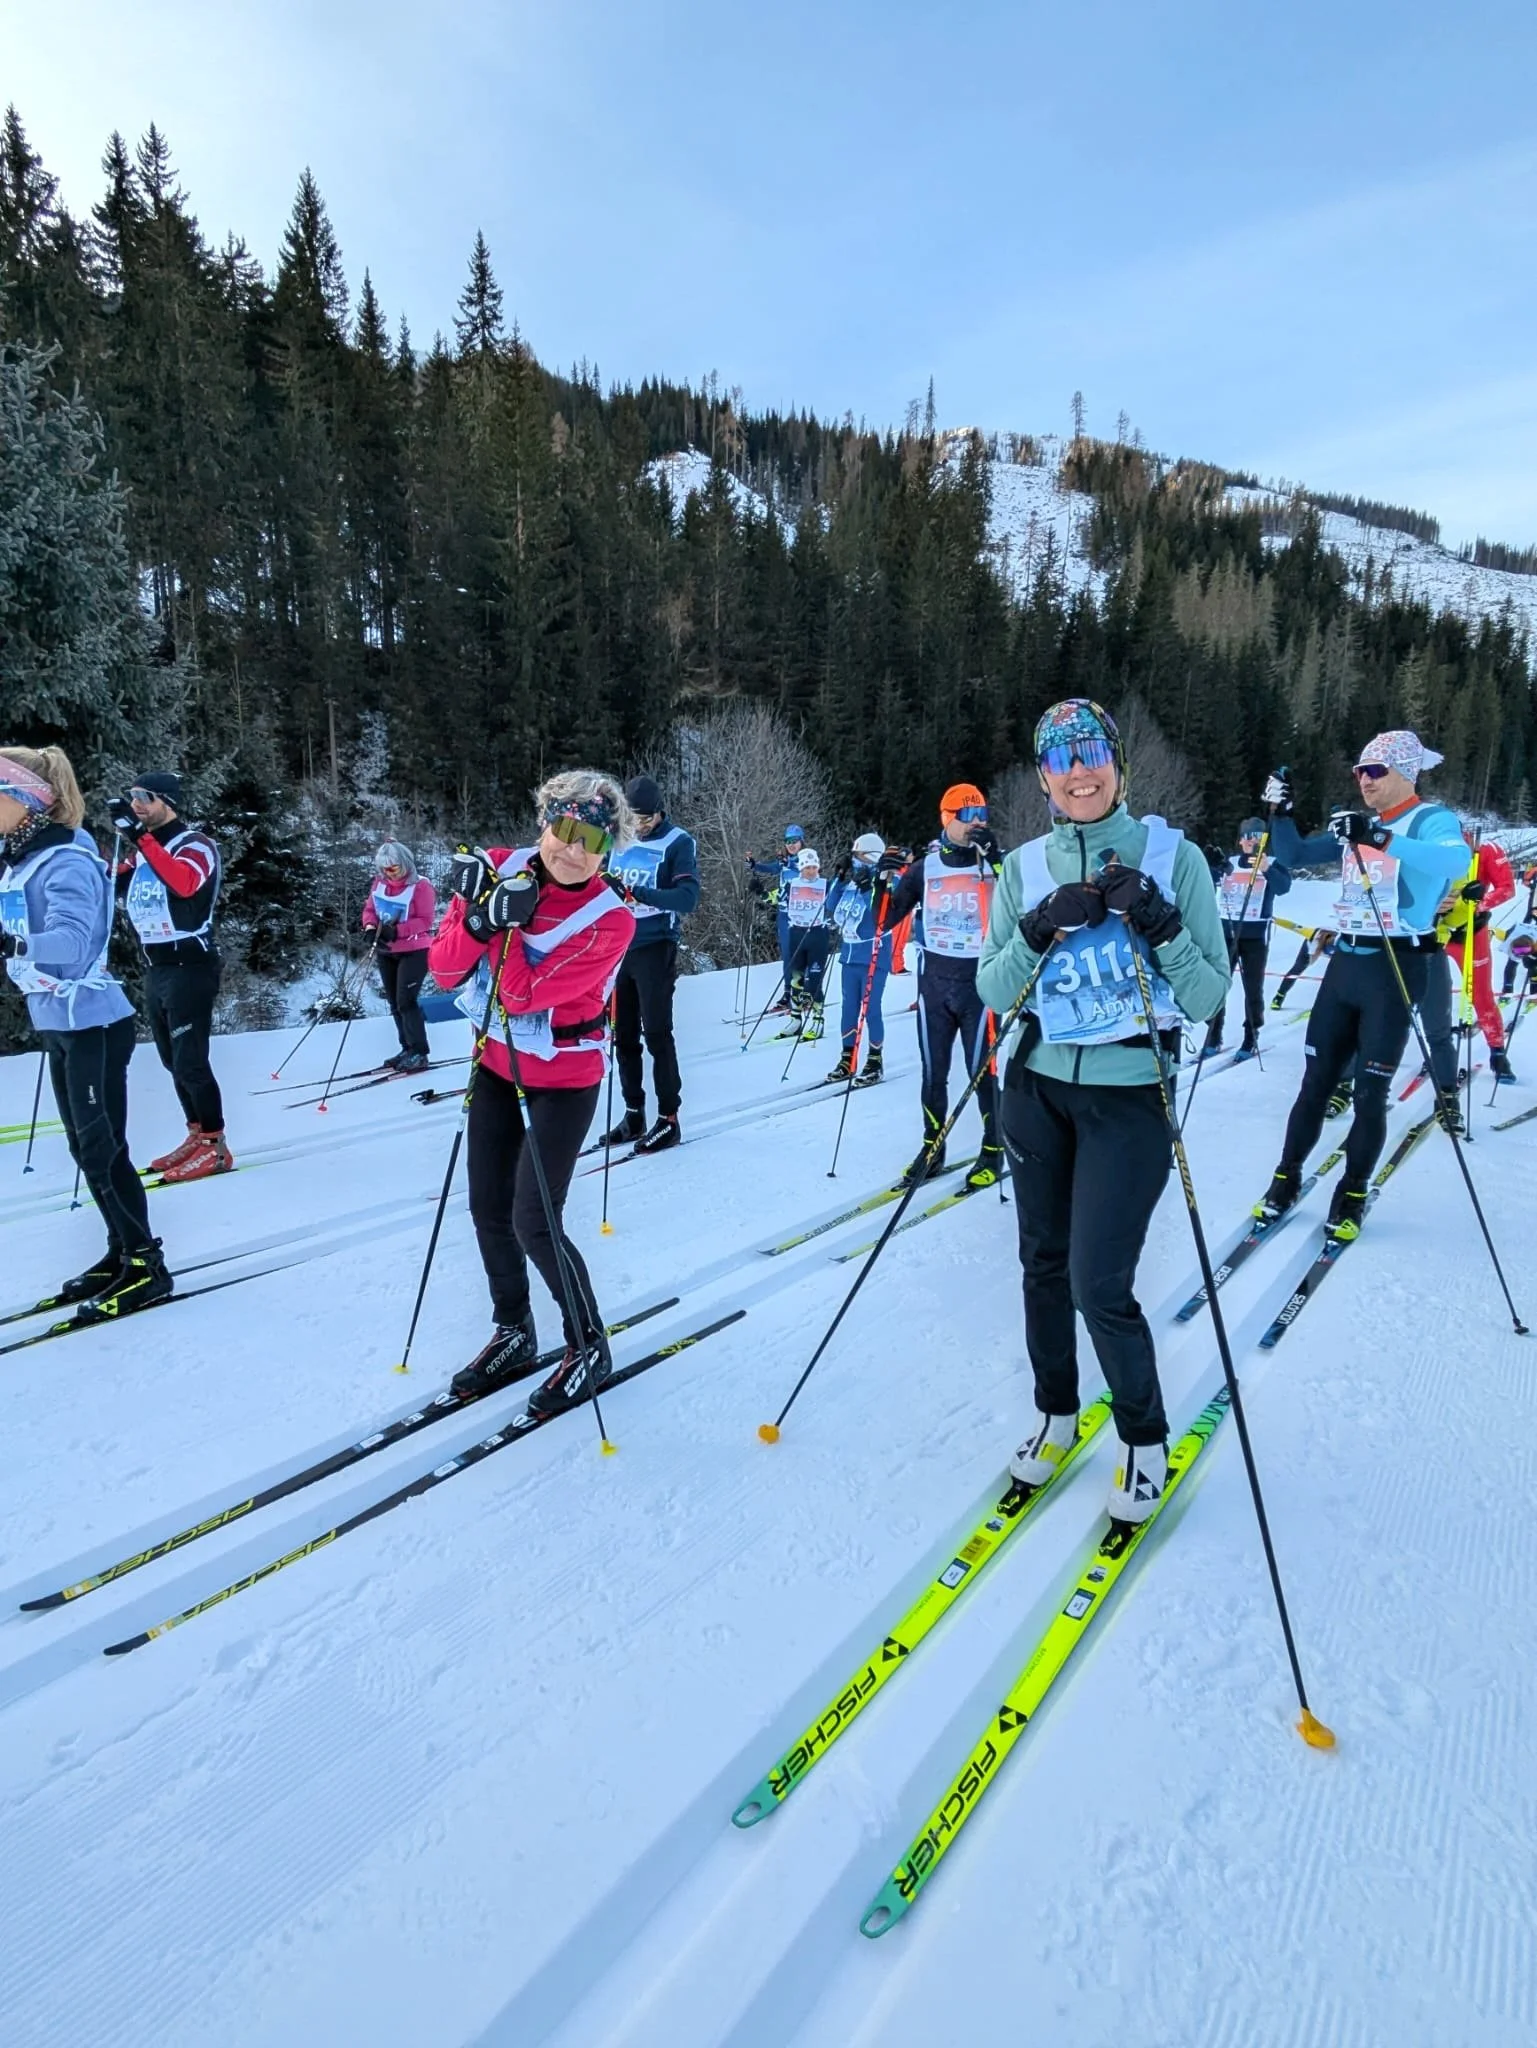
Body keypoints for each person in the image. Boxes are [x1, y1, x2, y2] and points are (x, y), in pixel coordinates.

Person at [977, 701, 1229, 1524]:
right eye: (1058, 757)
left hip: (1130, 1093)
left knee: (1098, 1282)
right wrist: (1038, 926)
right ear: (1042, 777)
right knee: (1041, 1267)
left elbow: (1205, 995)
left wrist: (1156, 920)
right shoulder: (1021, 866)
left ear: (1116, 763)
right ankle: (1055, 1413)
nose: (1077, 770)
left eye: (1090, 751)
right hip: (1038, 1087)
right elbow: (992, 988)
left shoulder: (1174, 856)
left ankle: (1142, 1436)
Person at [428, 771, 636, 1415]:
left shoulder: (612, 920)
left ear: (608, 850)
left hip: (565, 1079)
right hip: (495, 1064)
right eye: (563, 829)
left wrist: (502, 924)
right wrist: (483, 917)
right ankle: (513, 1330)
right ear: (546, 821)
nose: (572, 850)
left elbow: (519, 994)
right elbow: (441, 969)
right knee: (487, 1209)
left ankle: (588, 1343)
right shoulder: (499, 868)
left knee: (533, 1219)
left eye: (592, 840)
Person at [1253, 731, 1467, 1240]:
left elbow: (1453, 862)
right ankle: (1284, 1180)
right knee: (1315, 1083)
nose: (1364, 780)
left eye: (1375, 772)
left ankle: (1352, 1191)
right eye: (1359, 771)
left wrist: (1380, 837)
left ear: (1404, 773)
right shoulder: (1358, 823)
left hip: (1396, 967)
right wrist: (1279, 812)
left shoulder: (1429, 819)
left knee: (1371, 1092)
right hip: (1347, 963)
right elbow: (1298, 855)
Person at [0, 746, 173, 1318]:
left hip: (93, 1021)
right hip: (58, 1020)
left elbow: (73, 944)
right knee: (84, 1146)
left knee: (102, 1148)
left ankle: (147, 1265)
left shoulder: (66, 861)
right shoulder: (21, 859)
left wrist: (15, 944)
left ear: (28, 802)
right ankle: (120, 1251)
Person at [109, 769, 232, 1184]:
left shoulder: (196, 845)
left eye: (145, 797)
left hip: (191, 965)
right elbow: (115, 885)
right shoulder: (144, 850)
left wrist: (141, 839)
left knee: (191, 1060)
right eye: (132, 796)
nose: (137, 804)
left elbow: (183, 884)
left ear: (169, 802)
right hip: (157, 967)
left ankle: (215, 1145)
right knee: (170, 1060)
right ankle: (196, 1133)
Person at [881, 782, 1006, 1190]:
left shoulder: (991, 862)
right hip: (934, 982)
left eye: (982, 814)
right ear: (946, 819)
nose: (976, 823)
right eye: (967, 816)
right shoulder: (925, 868)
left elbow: (1020, 906)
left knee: (980, 1070)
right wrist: (879, 883)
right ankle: (932, 1148)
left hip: (979, 984)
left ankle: (993, 1147)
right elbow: (882, 922)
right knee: (933, 1072)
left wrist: (999, 862)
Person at [600, 773, 700, 1154]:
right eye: (633, 818)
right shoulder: (619, 839)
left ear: (659, 813)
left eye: (645, 820)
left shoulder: (678, 842)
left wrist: (635, 892)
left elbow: (687, 897)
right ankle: (633, 1112)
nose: (639, 826)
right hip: (619, 947)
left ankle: (669, 1119)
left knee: (656, 1033)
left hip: (656, 945)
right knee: (622, 1036)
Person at [1203, 816, 1291, 1059]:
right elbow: (1207, 884)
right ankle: (1213, 1036)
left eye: (1256, 838)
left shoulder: (1272, 863)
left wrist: (1266, 869)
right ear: (1240, 841)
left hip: (1254, 936)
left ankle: (1250, 1037)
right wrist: (1210, 867)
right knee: (1218, 985)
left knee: (1253, 989)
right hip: (1226, 934)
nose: (1251, 842)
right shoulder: (1230, 862)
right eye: (1247, 837)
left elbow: (1284, 887)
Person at [1443, 830, 1516, 1082]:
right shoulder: (1432, 845)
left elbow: (1507, 888)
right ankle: (1433, 1044)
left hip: (1471, 934)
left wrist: (1480, 903)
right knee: (1420, 989)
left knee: (1481, 994)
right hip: (1434, 930)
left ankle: (1497, 1052)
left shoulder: (1486, 850)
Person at [824, 832, 894, 1085]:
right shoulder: (852, 879)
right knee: (848, 1009)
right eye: (853, 856)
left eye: (859, 856)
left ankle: (875, 1060)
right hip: (849, 954)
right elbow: (830, 907)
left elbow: (883, 917)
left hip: (873, 955)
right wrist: (840, 878)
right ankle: (847, 1059)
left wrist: (867, 889)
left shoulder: (885, 879)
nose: (855, 860)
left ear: (873, 856)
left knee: (871, 1009)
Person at [361, 841, 437, 1073]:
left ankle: (419, 1052)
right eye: (384, 869)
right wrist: (370, 928)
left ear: (405, 864)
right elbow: (370, 910)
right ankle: (407, 1048)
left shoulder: (421, 886)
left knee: (406, 1001)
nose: (389, 874)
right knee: (394, 1003)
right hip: (387, 951)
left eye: (393, 868)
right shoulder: (380, 884)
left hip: (414, 950)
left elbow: (425, 920)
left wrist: (397, 931)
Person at [745, 824, 806, 1012]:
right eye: (788, 842)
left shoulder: (806, 858)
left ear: (802, 841)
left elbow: (806, 872)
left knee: (801, 955)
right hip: (784, 914)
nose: (791, 845)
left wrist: (787, 863)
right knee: (787, 956)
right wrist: (755, 865)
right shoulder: (783, 862)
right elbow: (772, 868)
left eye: (794, 841)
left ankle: (805, 992)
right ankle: (789, 993)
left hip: (801, 915)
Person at [784, 847, 831, 1029]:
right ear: (800, 868)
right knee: (796, 978)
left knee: (814, 979)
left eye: (814, 867)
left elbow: (836, 901)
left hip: (817, 935)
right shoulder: (792, 884)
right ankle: (795, 1019)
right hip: (796, 933)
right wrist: (761, 893)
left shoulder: (826, 884)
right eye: (807, 868)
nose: (811, 871)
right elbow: (779, 900)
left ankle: (818, 1020)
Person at [1271, 926, 1334, 1010]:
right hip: (1313, 945)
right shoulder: (1313, 942)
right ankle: (1279, 997)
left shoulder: (1341, 942)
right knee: (1297, 968)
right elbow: (1291, 925)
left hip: (1337, 947)